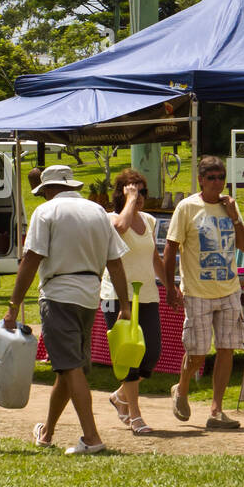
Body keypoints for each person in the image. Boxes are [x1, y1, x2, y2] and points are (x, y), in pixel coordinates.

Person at [3, 164, 131, 455]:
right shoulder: (97, 211)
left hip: (58, 294)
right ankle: (47, 432)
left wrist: (13, 306)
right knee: (67, 366)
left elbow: (31, 260)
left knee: (70, 366)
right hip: (90, 296)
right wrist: (124, 304)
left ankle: (91, 437)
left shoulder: (46, 212)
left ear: (48, 189)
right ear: (72, 185)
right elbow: (116, 262)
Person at [162, 155, 244, 429]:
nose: (217, 182)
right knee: (198, 353)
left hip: (228, 290)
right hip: (197, 292)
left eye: (221, 177)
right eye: (211, 177)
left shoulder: (229, 207)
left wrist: (235, 217)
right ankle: (181, 387)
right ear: (201, 179)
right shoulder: (187, 207)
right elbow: (170, 249)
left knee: (227, 349)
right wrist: (169, 287)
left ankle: (216, 410)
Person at [100, 169, 166, 436]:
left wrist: (170, 287)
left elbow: (155, 258)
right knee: (128, 354)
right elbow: (120, 228)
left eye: (142, 192)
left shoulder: (149, 220)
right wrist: (129, 202)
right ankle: (135, 415)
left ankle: (119, 396)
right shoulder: (108, 219)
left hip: (147, 294)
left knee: (152, 353)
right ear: (122, 193)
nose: (139, 196)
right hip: (116, 296)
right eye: (133, 191)